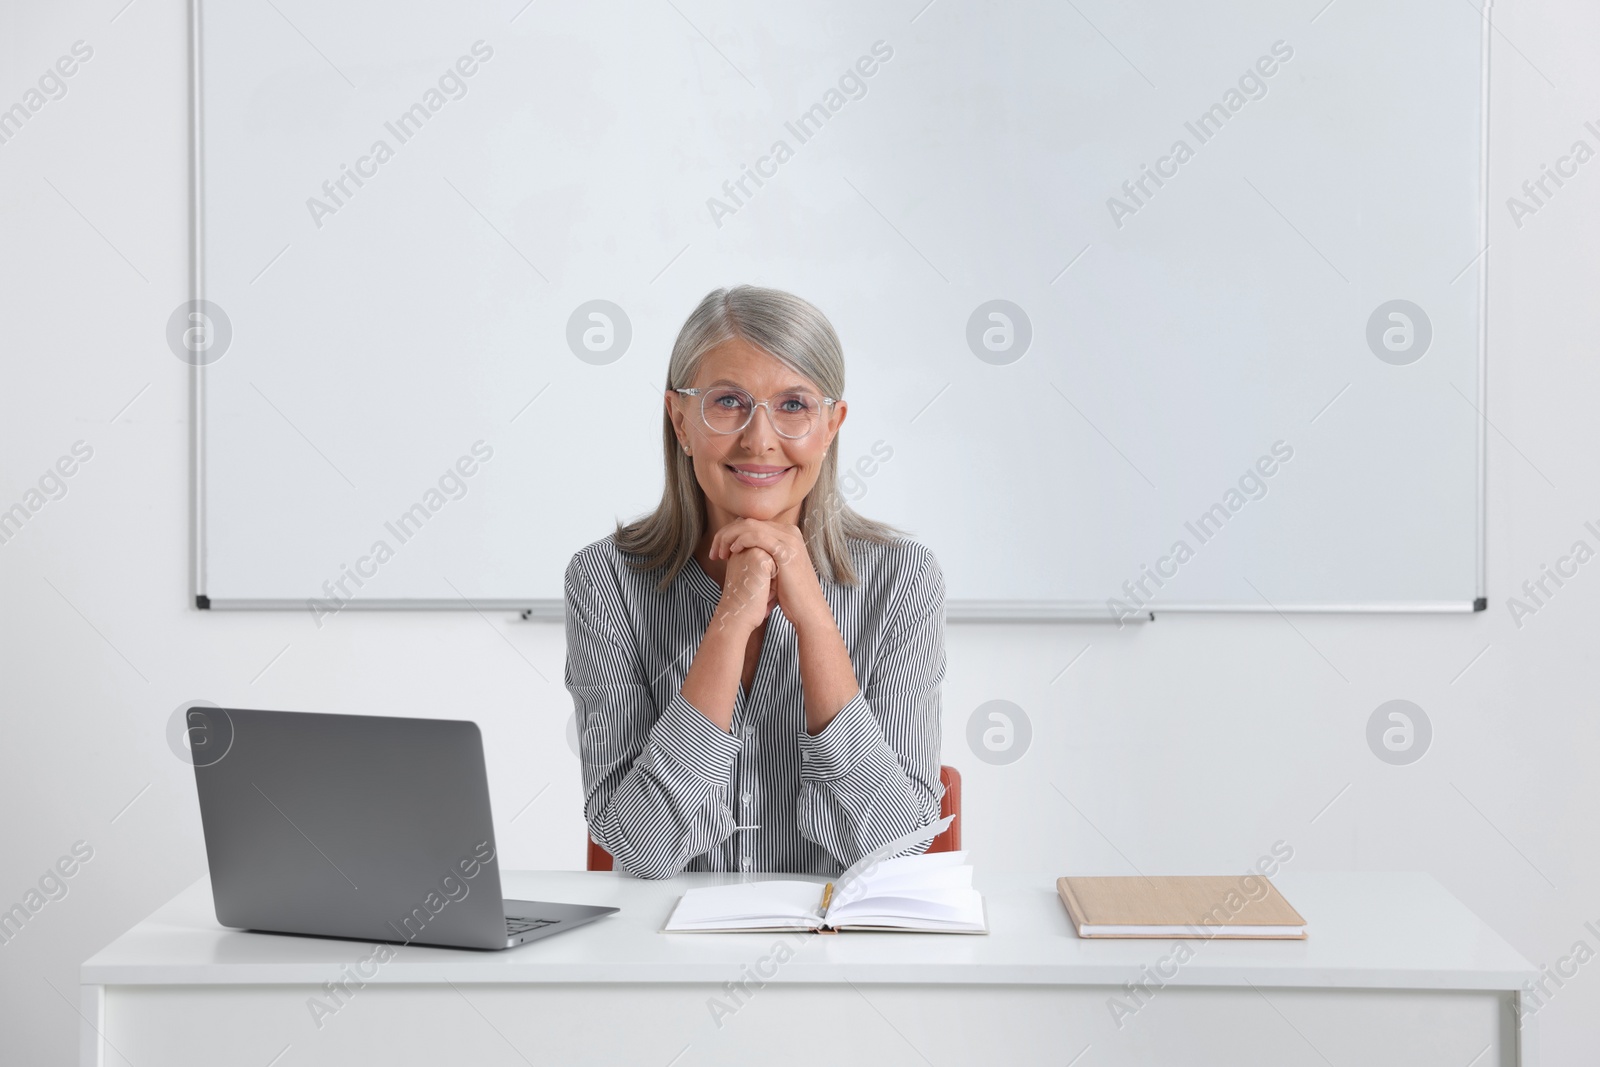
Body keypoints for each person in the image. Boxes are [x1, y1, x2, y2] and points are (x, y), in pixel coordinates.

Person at [564, 285, 946, 878]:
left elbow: (891, 846)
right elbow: (639, 848)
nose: (760, 439)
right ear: (680, 420)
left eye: (794, 405)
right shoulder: (605, 581)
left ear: (831, 425)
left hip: (837, 958)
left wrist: (817, 626)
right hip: (667, 957)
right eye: (728, 402)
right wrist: (731, 621)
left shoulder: (902, 579)